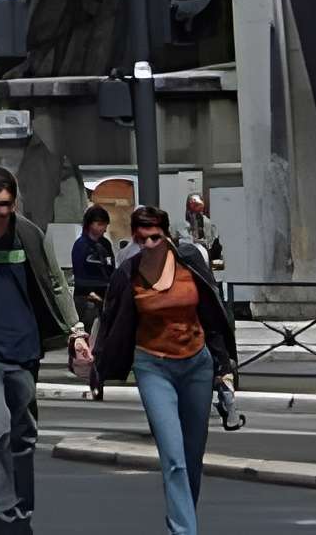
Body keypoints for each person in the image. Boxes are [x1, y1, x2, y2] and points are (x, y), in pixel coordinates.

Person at [0, 167, 91, 535]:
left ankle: (21, 513)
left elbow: (55, 283)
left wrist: (75, 332)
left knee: (23, 436)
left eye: (8, 204)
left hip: (24, 351)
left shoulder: (28, 234)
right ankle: (2, 520)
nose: (3, 212)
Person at [93, 203, 237, 535]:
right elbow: (112, 324)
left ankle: (185, 518)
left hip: (197, 364)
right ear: (134, 236)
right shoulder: (127, 273)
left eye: (155, 238)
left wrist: (224, 368)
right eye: (142, 239)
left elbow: (213, 316)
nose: (149, 245)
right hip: (153, 367)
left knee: (192, 456)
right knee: (173, 458)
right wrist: (96, 365)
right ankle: (183, 531)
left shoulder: (190, 261)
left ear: (167, 234)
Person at [69, 207, 117, 403]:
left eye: (104, 225)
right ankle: (87, 373)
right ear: (90, 224)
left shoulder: (105, 244)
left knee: (102, 345)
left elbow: (111, 269)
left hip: (105, 298)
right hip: (87, 299)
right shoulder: (81, 246)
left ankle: (98, 379)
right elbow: (80, 277)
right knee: (88, 342)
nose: (103, 229)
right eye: (99, 224)